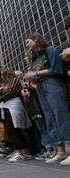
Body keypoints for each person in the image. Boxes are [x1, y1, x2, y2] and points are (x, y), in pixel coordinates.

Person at [25, 33, 70, 165]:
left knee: (60, 114)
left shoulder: (50, 50)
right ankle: (60, 151)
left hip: (52, 83)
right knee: (49, 117)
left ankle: (68, 148)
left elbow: (56, 69)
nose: (26, 45)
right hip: (40, 86)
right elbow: (32, 74)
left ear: (36, 40)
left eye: (28, 41)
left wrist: (35, 73)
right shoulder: (34, 58)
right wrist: (30, 70)